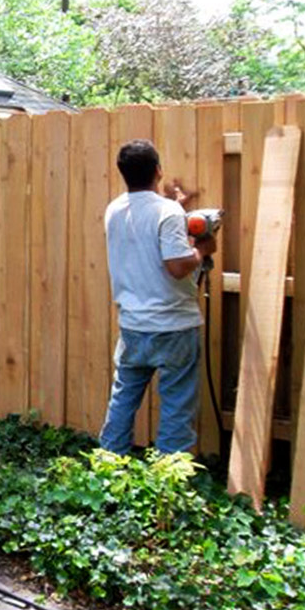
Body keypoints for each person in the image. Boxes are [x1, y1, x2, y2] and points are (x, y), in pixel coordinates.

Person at [99, 139, 217, 455]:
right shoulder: (167, 212)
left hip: (133, 325)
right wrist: (201, 249)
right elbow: (178, 266)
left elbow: (146, 233)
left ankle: (108, 468)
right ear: (158, 170)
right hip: (174, 326)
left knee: (123, 399)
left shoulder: (114, 209)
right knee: (177, 405)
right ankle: (167, 482)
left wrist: (176, 210)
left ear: (123, 173)